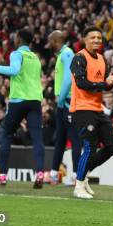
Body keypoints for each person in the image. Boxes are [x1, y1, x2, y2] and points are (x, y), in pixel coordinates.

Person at [0, 29, 46, 189]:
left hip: (18, 101)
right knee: (37, 138)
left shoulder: (17, 54)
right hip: (35, 101)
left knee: (7, 135)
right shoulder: (36, 58)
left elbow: (14, 70)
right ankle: (40, 173)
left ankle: (2, 176)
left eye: (16, 38)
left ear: (19, 39)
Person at [69, 26, 113, 199]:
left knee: (112, 146)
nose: (97, 40)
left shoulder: (102, 60)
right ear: (85, 40)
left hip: (97, 109)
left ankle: (84, 175)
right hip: (82, 109)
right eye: (93, 38)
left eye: (99, 37)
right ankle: (78, 186)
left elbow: (103, 84)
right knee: (90, 147)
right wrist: (106, 84)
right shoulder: (78, 58)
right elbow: (82, 83)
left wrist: (112, 82)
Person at [47, 30, 82, 185]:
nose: (49, 44)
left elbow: (68, 78)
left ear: (55, 40)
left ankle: (76, 176)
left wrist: (60, 99)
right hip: (62, 103)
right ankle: (54, 174)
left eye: (50, 41)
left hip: (68, 102)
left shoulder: (67, 53)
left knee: (75, 139)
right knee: (60, 138)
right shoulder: (62, 54)